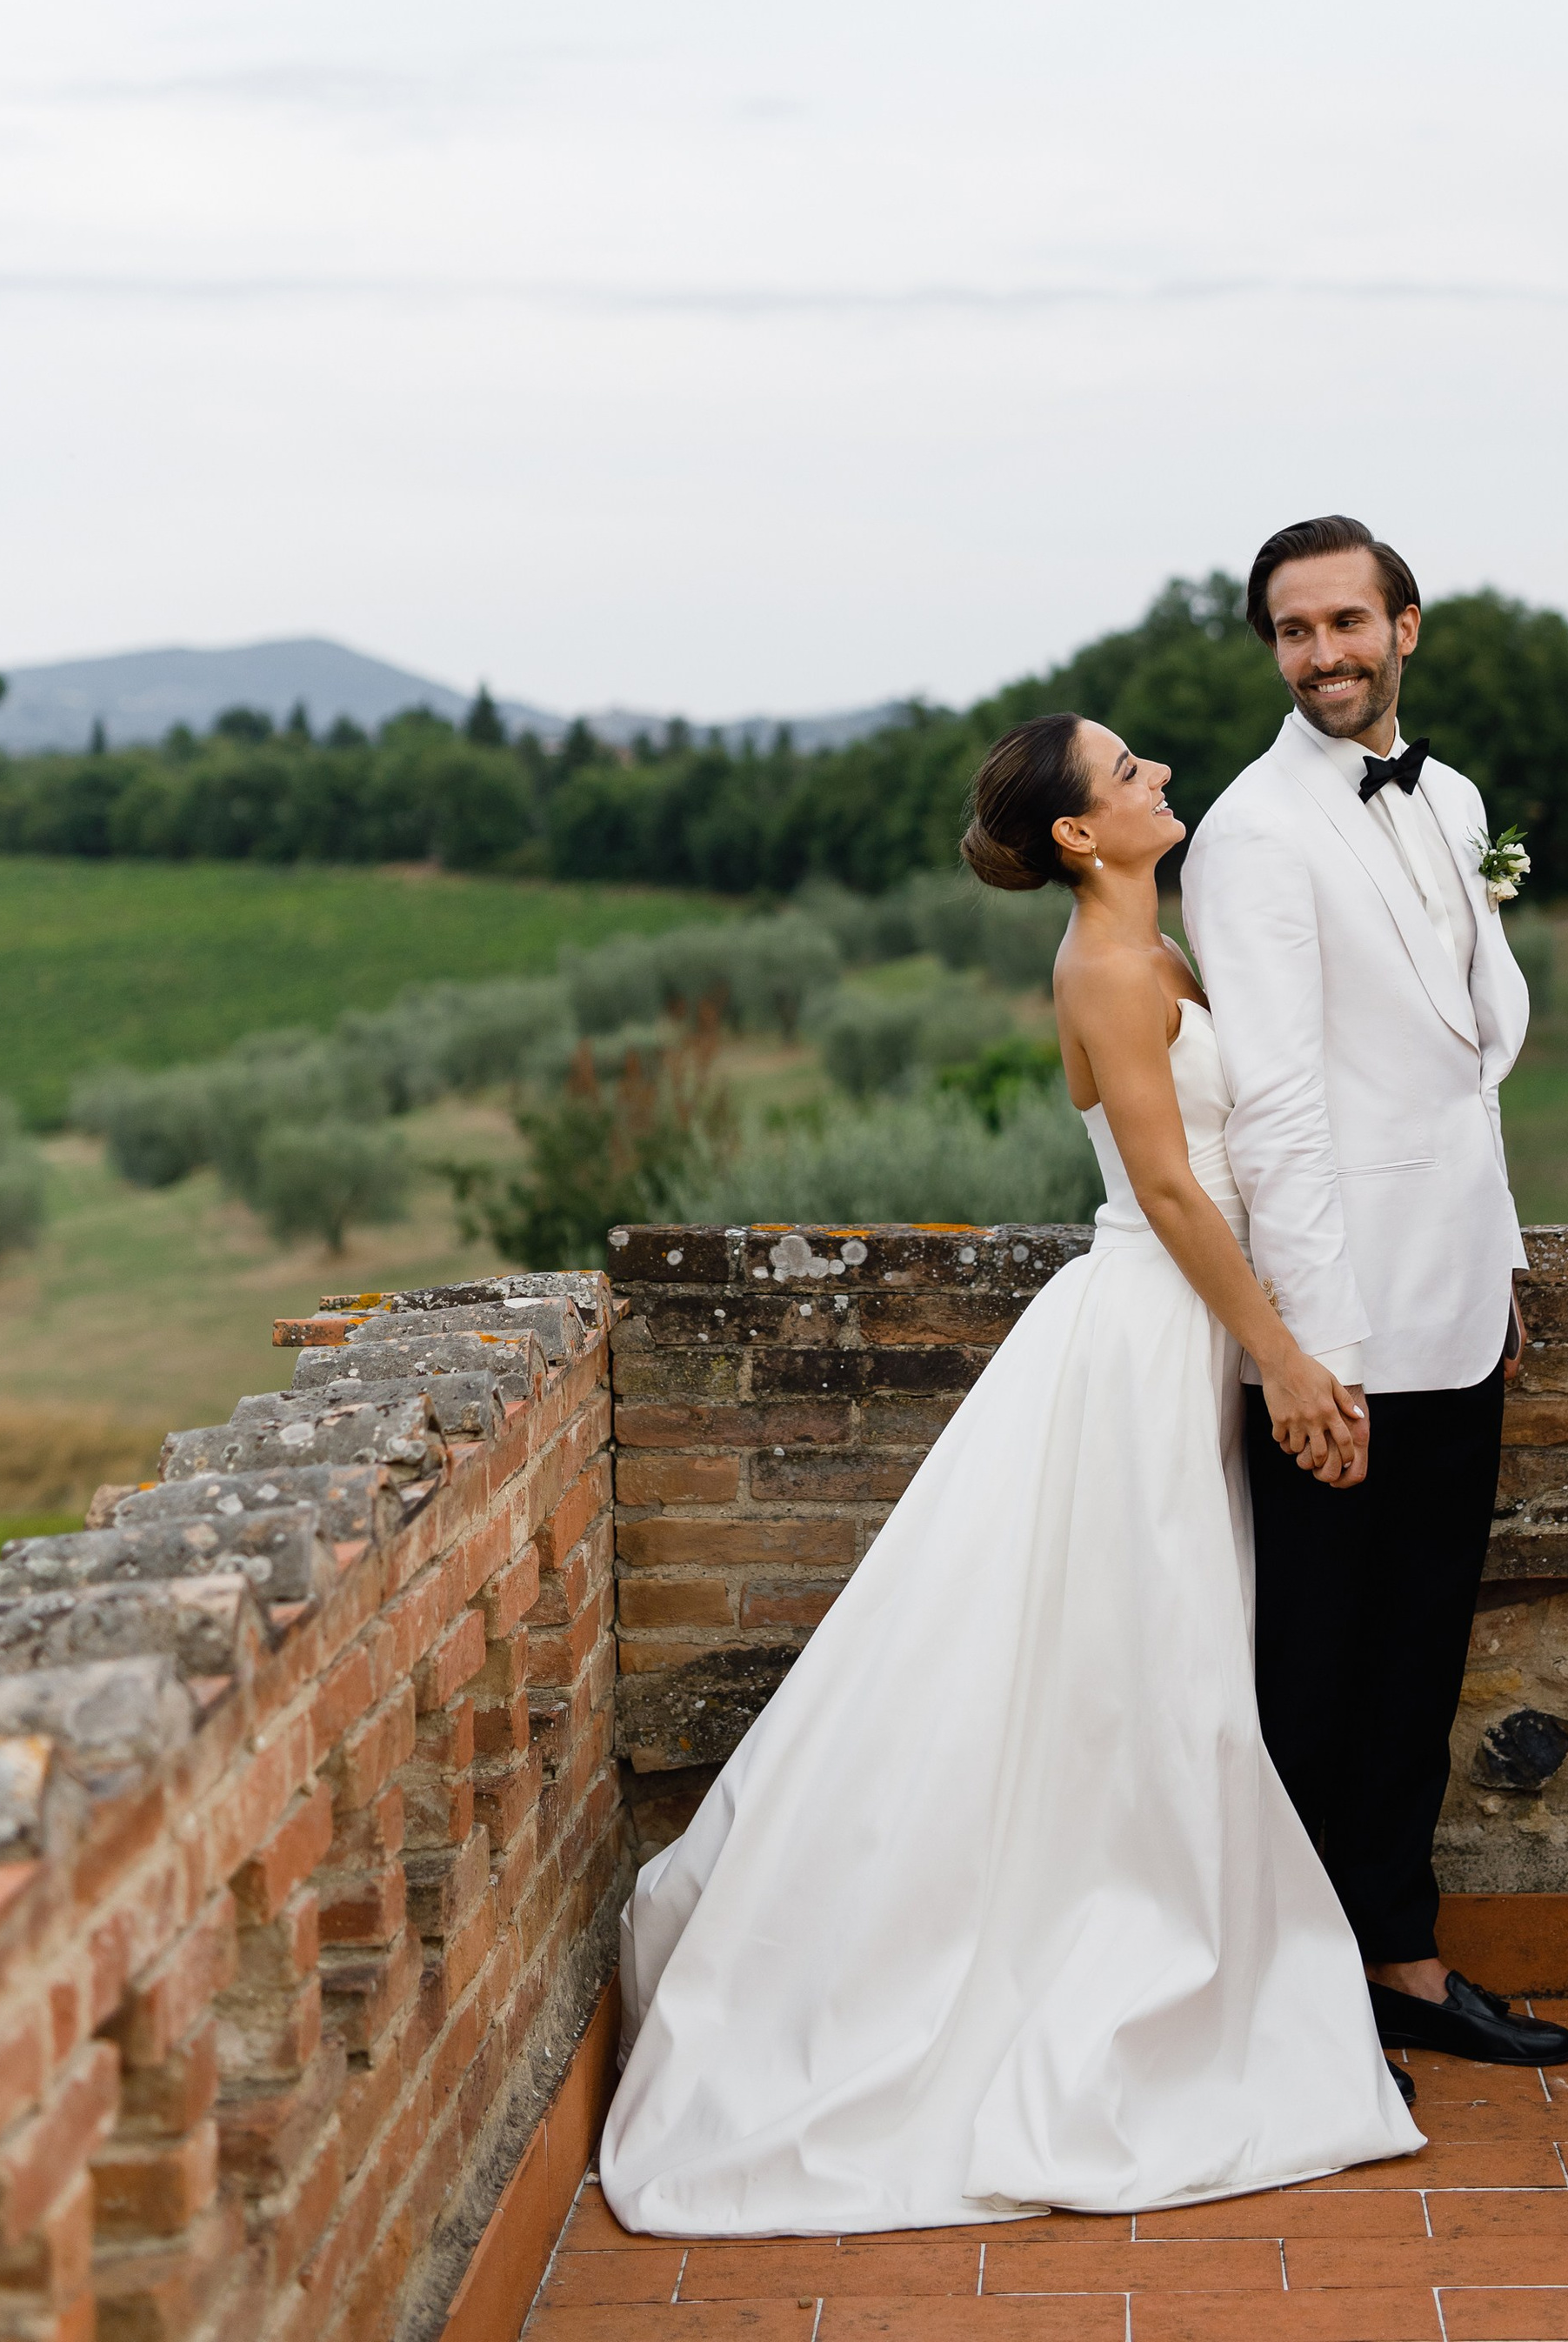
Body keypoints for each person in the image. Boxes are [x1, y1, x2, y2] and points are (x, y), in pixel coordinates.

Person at [601, 710, 1418, 2239]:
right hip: (1148, 1334)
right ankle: (1107, 1975)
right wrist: (1288, 1360)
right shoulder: (1110, 970)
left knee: (1131, 1658)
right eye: (1128, 775)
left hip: (1178, 1334)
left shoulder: (1162, 954)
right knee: (1144, 1667)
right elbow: (1171, 1188)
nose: (1159, 775)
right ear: (1077, 838)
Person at [1182, 514, 1568, 2073]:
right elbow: (1275, 1111)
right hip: (1339, 1329)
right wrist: (1310, 1356)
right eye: (1294, 632)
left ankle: (1401, 1963)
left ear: (1407, 626)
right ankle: (1283, 2002)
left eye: (1348, 623)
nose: (1323, 655)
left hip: (1459, 1300)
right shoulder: (1254, 835)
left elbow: (1461, 1074)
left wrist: (1505, 1260)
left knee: (1421, 1651)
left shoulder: (1457, 795)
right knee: (1309, 1672)